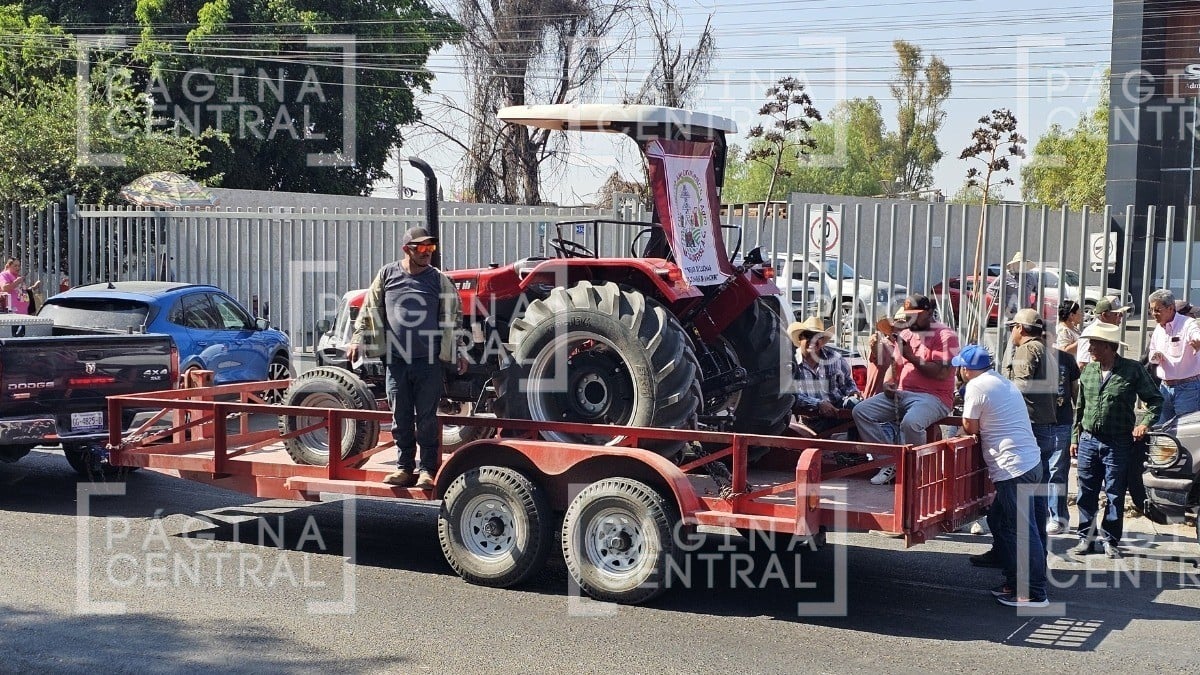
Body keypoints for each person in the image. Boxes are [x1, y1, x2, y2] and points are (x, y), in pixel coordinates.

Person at [347, 227, 468, 489]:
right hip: (396, 361)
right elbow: (369, 308)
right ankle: (404, 468)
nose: (427, 252)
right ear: (407, 250)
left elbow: (454, 316)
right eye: (421, 248)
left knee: (427, 419)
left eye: (430, 248)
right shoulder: (387, 274)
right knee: (400, 417)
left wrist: (459, 350)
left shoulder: (438, 279)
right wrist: (357, 339)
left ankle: (427, 470)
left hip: (428, 361)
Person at [955, 344, 1049, 608]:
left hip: (1013, 468)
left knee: (1022, 531)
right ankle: (1017, 578)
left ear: (966, 369)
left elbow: (969, 426)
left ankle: (1034, 592)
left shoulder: (976, 386)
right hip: (1030, 462)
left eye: (959, 368)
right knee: (1001, 520)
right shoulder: (1001, 381)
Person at [1070, 322, 1163, 559]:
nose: (1090, 348)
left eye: (1095, 344)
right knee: (1086, 491)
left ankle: (1110, 540)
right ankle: (1086, 538)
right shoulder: (1088, 371)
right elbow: (1080, 407)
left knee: (1114, 492)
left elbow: (1155, 400)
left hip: (1118, 442)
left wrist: (1144, 424)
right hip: (1089, 440)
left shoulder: (1132, 370)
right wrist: (1074, 438)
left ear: (1109, 347)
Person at [853, 294, 959, 485]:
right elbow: (895, 366)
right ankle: (888, 462)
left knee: (911, 423)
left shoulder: (945, 335)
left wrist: (910, 356)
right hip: (902, 393)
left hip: (934, 397)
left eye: (915, 315)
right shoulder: (906, 334)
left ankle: (916, 471)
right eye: (908, 315)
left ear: (928, 313)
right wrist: (888, 382)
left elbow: (941, 373)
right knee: (861, 411)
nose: (910, 319)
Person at [1005, 308, 1079, 534]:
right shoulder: (1045, 352)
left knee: (1030, 480)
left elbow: (1020, 387)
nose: (1012, 332)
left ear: (1020, 328)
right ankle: (1039, 532)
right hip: (1046, 424)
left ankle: (1032, 532)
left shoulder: (1028, 350)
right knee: (1043, 478)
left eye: (1013, 327)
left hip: (1033, 425)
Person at [787, 316, 861, 438]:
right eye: (808, 336)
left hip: (838, 411)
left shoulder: (835, 358)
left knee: (859, 406)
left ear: (822, 341)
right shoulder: (790, 363)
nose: (813, 341)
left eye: (818, 337)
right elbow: (791, 396)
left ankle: (855, 448)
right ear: (800, 338)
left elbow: (847, 382)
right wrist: (818, 404)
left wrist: (853, 392)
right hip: (811, 419)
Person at [1146, 288, 1200, 423]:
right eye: (1151, 310)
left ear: (1170, 308)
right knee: (1161, 430)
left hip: (1187, 389)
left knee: (1185, 429)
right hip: (1164, 388)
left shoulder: (1187, 324)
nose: (1153, 314)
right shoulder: (1158, 329)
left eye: (1157, 310)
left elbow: (1195, 334)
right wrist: (1155, 356)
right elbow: (1152, 352)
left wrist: (1197, 342)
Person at [1076, 295, 1130, 365]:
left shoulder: (1111, 330)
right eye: (1117, 314)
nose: (1121, 316)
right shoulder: (1092, 332)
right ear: (1104, 315)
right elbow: (1082, 363)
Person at [987, 252, 1038, 322]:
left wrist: (1035, 304)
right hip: (1010, 314)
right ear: (1013, 265)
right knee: (1008, 328)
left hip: (1025, 315)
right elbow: (990, 290)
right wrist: (1002, 303)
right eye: (1018, 263)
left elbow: (1038, 291)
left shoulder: (1030, 278)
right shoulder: (1005, 276)